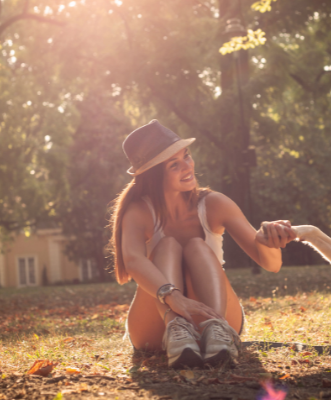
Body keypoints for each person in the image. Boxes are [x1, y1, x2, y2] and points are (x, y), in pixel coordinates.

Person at [109, 120, 296, 369]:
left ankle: (217, 330)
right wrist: (173, 298)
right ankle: (177, 331)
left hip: (216, 313)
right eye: (174, 165)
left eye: (186, 156)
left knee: (197, 245)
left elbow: (271, 265)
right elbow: (133, 260)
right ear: (154, 176)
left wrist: (271, 239)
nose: (188, 167)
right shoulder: (139, 211)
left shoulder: (214, 204)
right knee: (167, 246)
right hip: (158, 325)